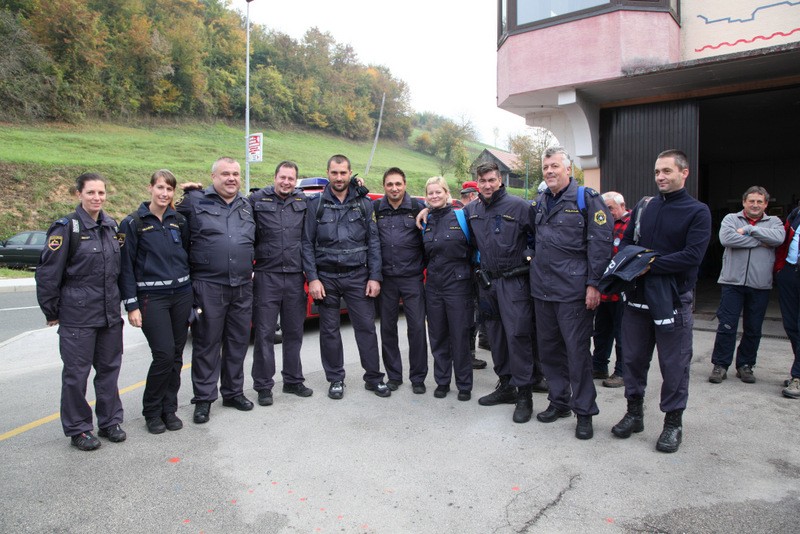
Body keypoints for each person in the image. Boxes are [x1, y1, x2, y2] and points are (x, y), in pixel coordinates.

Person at [611, 149, 711, 453]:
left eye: (666, 171)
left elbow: (692, 256)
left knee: (674, 365)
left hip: (674, 302)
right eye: (657, 172)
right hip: (637, 300)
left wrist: (645, 264)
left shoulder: (698, 211)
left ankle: (672, 424)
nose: (660, 177)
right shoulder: (645, 207)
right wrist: (631, 260)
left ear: (684, 173)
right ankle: (634, 414)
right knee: (632, 360)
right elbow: (626, 241)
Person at [36, 172, 125, 451]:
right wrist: (52, 311)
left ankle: (110, 421)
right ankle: (79, 428)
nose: (97, 198)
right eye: (91, 193)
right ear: (79, 194)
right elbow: (48, 273)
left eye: (101, 193)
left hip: (109, 313)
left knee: (109, 370)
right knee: (76, 374)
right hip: (78, 316)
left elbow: (117, 272)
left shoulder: (111, 226)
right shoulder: (66, 228)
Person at [529, 146, 613, 440]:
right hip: (543, 291)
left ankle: (585, 412)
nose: (549, 171)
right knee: (550, 352)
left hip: (574, 292)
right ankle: (559, 402)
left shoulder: (586, 200)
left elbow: (601, 245)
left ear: (569, 169)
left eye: (554, 166)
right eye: (545, 167)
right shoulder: (540, 201)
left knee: (577, 354)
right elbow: (530, 238)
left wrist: (594, 284)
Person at [301, 154, 390, 399]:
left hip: (358, 277)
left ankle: (373, 377)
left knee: (366, 329)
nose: (339, 177)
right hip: (326, 279)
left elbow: (373, 242)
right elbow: (307, 244)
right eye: (334, 173)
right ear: (328, 173)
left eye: (343, 173)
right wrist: (313, 279)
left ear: (350, 173)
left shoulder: (364, 204)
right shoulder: (315, 205)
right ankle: (335, 379)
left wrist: (375, 276)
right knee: (329, 331)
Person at [177, 157, 256, 424]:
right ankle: (203, 399)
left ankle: (233, 392)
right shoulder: (194, 202)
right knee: (206, 344)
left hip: (242, 286)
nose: (231, 178)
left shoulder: (247, 205)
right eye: (225, 174)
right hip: (208, 285)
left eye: (235, 173)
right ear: (213, 177)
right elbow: (179, 237)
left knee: (237, 343)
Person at [119, 169, 192, 434]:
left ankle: (168, 409)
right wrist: (131, 305)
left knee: (175, 357)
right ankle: (151, 411)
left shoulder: (179, 221)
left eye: (169, 189)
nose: (164, 193)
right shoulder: (133, 223)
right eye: (160, 187)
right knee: (162, 354)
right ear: (150, 188)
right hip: (152, 298)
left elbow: (187, 256)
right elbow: (125, 267)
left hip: (181, 295)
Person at [465, 161, 537, 424]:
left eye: (491, 180)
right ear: (477, 182)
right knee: (495, 337)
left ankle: (525, 395)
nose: (487, 185)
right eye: (482, 181)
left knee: (517, 336)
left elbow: (538, 238)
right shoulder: (471, 209)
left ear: (500, 180)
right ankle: (506, 385)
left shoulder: (519, 207)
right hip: (487, 284)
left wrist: (529, 257)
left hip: (514, 282)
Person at [250, 161, 313, 406]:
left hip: (295, 276)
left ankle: (293, 380)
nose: (286, 182)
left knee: (294, 331)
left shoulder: (303, 202)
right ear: (274, 177)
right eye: (282, 177)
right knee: (265, 333)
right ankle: (264, 386)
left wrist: (356, 184)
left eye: (291, 178)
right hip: (267, 274)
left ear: (295, 181)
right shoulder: (256, 200)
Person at [709, 186, 784, 385]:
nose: (755, 205)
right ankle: (720, 365)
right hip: (732, 282)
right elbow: (727, 239)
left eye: (760, 202)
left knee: (753, 328)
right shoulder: (731, 219)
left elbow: (778, 239)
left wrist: (750, 230)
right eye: (751, 201)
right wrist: (761, 240)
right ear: (744, 202)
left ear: (766, 204)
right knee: (727, 325)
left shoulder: (774, 222)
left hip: (760, 284)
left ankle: (745, 365)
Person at [373, 167, 428, 393]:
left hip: (412, 278)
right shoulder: (377, 209)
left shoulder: (418, 207)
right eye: (389, 184)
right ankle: (394, 376)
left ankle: (418, 378)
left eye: (398, 184)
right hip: (386, 280)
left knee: (416, 329)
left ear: (404, 185)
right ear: (384, 186)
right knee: (388, 329)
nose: (394, 188)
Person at [422, 176, 474, 400]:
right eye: (430, 193)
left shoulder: (462, 216)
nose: (434, 196)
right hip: (433, 286)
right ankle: (442, 381)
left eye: (438, 192)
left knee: (460, 336)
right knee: (438, 336)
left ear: (446, 193)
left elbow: (476, 248)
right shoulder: (425, 220)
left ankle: (464, 384)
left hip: (459, 286)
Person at [592, 191, 631, 388]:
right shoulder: (601, 224)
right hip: (603, 290)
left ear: (622, 206)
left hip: (622, 290)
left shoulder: (631, 224)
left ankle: (622, 372)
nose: (607, 212)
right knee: (601, 331)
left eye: (610, 208)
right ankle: (599, 366)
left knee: (622, 334)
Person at [459, 180, 489, 369]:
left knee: (477, 312)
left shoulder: (459, 212)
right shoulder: (466, 214)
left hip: (473, 269)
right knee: (471, 313)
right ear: (472, 196)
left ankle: (480, 343)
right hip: (471, 270)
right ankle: (467, 354)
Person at [775, 200, 800, 398]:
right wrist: (781, 271)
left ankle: (798, 376)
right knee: (791, 326)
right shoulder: (796, 214)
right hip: (790, 273)